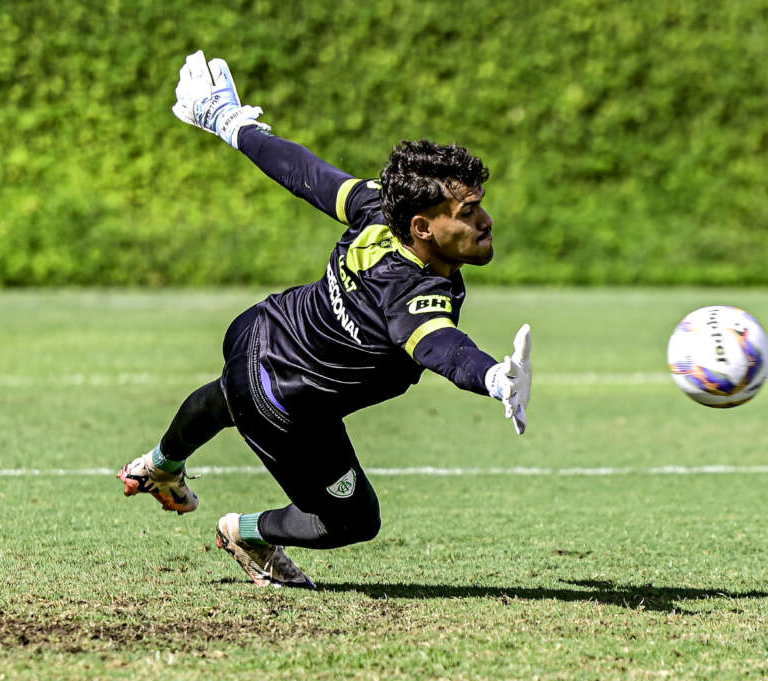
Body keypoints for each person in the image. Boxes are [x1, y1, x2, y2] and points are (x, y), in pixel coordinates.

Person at [117, 51, 533, 589]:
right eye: (468, 213)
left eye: (480, 206)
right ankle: (244, 533)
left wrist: (228, 121)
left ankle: (161, 463)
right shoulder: (412, 291)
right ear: (423, 228)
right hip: (283, 403)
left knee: (229, 393)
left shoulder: (378, 208)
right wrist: (494, 378)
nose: (486, 221)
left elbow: (304, 173)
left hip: (256, 330)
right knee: (354, 521)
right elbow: (440, 346)